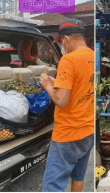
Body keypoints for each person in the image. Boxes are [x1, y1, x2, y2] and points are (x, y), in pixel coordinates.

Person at [40, 19, 94, 192]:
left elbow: (62, 100)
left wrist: (48, 86)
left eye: (61, 42)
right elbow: (83, 85)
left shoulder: (68, 60)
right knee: (78, 176)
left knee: (52, 186)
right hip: (88, 131)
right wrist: (58, 82)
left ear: (66, 39)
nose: (62, 46)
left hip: (68, 134)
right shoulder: (94, 56)